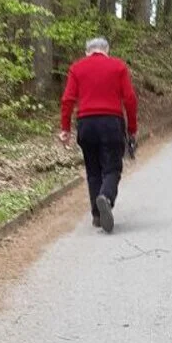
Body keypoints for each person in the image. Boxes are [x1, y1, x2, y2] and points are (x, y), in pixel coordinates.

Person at [59, 36, 138, 233]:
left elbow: (68, 99)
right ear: (106, 51)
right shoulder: (118, 66)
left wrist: (65, 128)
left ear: (87, 52)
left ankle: (96, 214)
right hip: (111, 122)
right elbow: (130, 99)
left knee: (93, 170)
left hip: (86, 123)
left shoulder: (77, 68)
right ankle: (106, 197)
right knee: (112, 168)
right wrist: (132, 129)